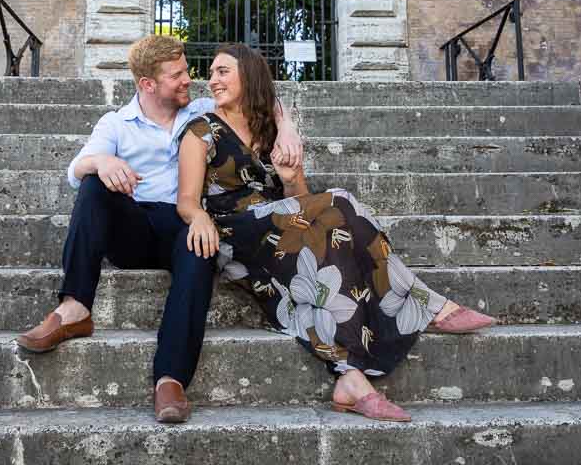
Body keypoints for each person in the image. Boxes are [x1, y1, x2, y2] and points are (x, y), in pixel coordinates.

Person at [176, 43, 498, 423]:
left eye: (222, 71)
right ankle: (430, 306)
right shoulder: (200, 131)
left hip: (282, 228)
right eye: (211, 72)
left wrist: (290, 177)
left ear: (248, 75)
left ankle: (351, 379)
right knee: (340, 202)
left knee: (336, 247)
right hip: (236, 233)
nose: (212, 80)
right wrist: (197, 216)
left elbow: (301, 199)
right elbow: (186, 199)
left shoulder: (270, 131)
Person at [15, 35, 303, 424]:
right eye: (177, 75)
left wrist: (286, 127)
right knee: (93, 183)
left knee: (200, 245)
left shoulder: (200, 111)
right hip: (132, 226)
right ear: (147, 84)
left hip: (182, 222)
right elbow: (75, 168)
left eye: (186, 70)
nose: (189, 80)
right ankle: (74, 307)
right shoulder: (116, 123)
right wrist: (101, 161)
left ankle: (170, 379)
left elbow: (258, 93)